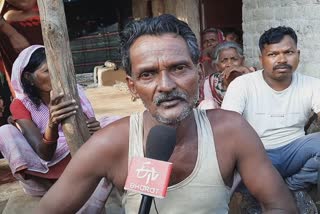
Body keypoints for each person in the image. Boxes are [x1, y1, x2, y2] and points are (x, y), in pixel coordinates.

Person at [36, 14, 297, 213]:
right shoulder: (110, 144)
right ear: (132, 86)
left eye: (179, 68)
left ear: (199, 72)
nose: (166, 85)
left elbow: (280, 205)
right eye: (147, 74)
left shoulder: (231, 132)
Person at [0, 45, 120, 198]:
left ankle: (87, 179)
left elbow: (85, 130)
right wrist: (52, 124)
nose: (56, 75)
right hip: (48, 164)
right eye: (46, 71)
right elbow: (44, 154)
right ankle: (47, 185)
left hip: (77, 155)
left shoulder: (72, 91)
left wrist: (93, 128)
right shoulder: (21, 105)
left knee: (116, 124)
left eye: (56, 68)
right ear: (29, 78)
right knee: (5, 131)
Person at [222, 26, 320, 199]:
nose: (282, 59)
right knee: (225, 156)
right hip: (256, 156)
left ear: (298, 54)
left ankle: (292, 187)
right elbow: (227, 130)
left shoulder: (312, 85)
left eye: (288, 52)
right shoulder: (242, 85)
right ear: (261, 59)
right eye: (273, 54)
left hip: (294, 153)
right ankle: (258, 195)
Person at [0, 0, 43, 124]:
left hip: (45, 23)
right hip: (18, 28)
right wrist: (11, 33)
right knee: (28, 88)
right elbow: (26, 3)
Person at [199, 41, 252, 109]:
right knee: (207, 104)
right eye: (224, 60)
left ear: (242, 61)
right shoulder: (210, 82)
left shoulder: (251, 74)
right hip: (219, 117)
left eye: (234, 59)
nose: (229, 64)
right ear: (217, 66)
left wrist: (246, 73)